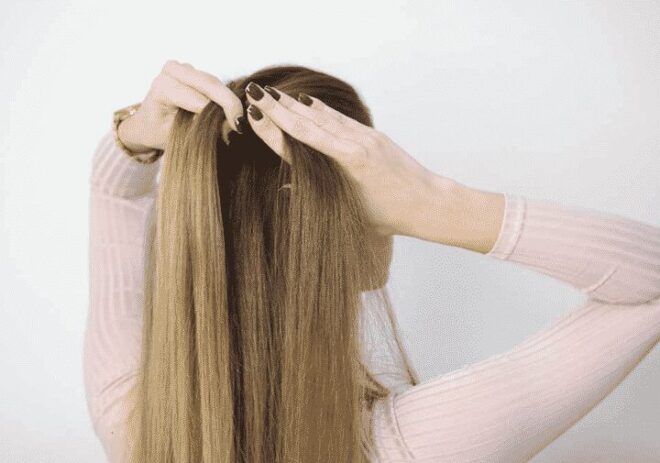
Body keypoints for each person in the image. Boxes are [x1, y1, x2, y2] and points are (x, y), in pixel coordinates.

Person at [84, 60, 660, 462]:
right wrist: (432, 202)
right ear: (344, 223)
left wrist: (134, 135)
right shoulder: (413, 445)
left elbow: (114, 197)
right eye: (372, 175)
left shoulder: (126, 412)